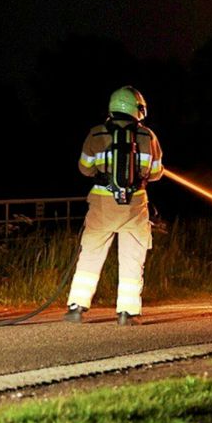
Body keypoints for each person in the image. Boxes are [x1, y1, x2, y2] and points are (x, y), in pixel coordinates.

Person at [64, 86, 164, 325]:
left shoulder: (96, 134)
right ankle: (126, 314)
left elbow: (84, 168)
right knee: (132, 258)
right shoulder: (148, 136)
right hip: (135, 206)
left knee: (90, 255)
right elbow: (157, 172)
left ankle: (76, 307)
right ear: (137, 109)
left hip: (101, 204)